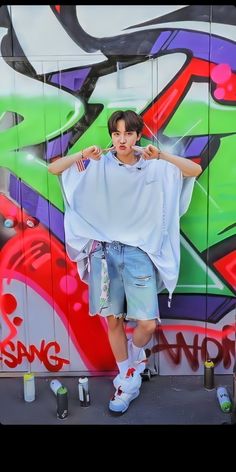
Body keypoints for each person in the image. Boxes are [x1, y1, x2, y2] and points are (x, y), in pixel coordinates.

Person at [48, 110, 202, 414]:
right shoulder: (96, 164)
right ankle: (128, 376)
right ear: (111, 135)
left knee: (145, 322)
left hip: (137, 253)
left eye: (128, 133)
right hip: (103, 254)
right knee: (113, 319)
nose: (122, 139)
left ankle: (133, 361)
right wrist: (82, 153)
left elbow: (193, 170)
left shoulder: (153, 166)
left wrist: (164, 156)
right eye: (117, 133)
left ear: (137, 135)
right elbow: (54, 169)